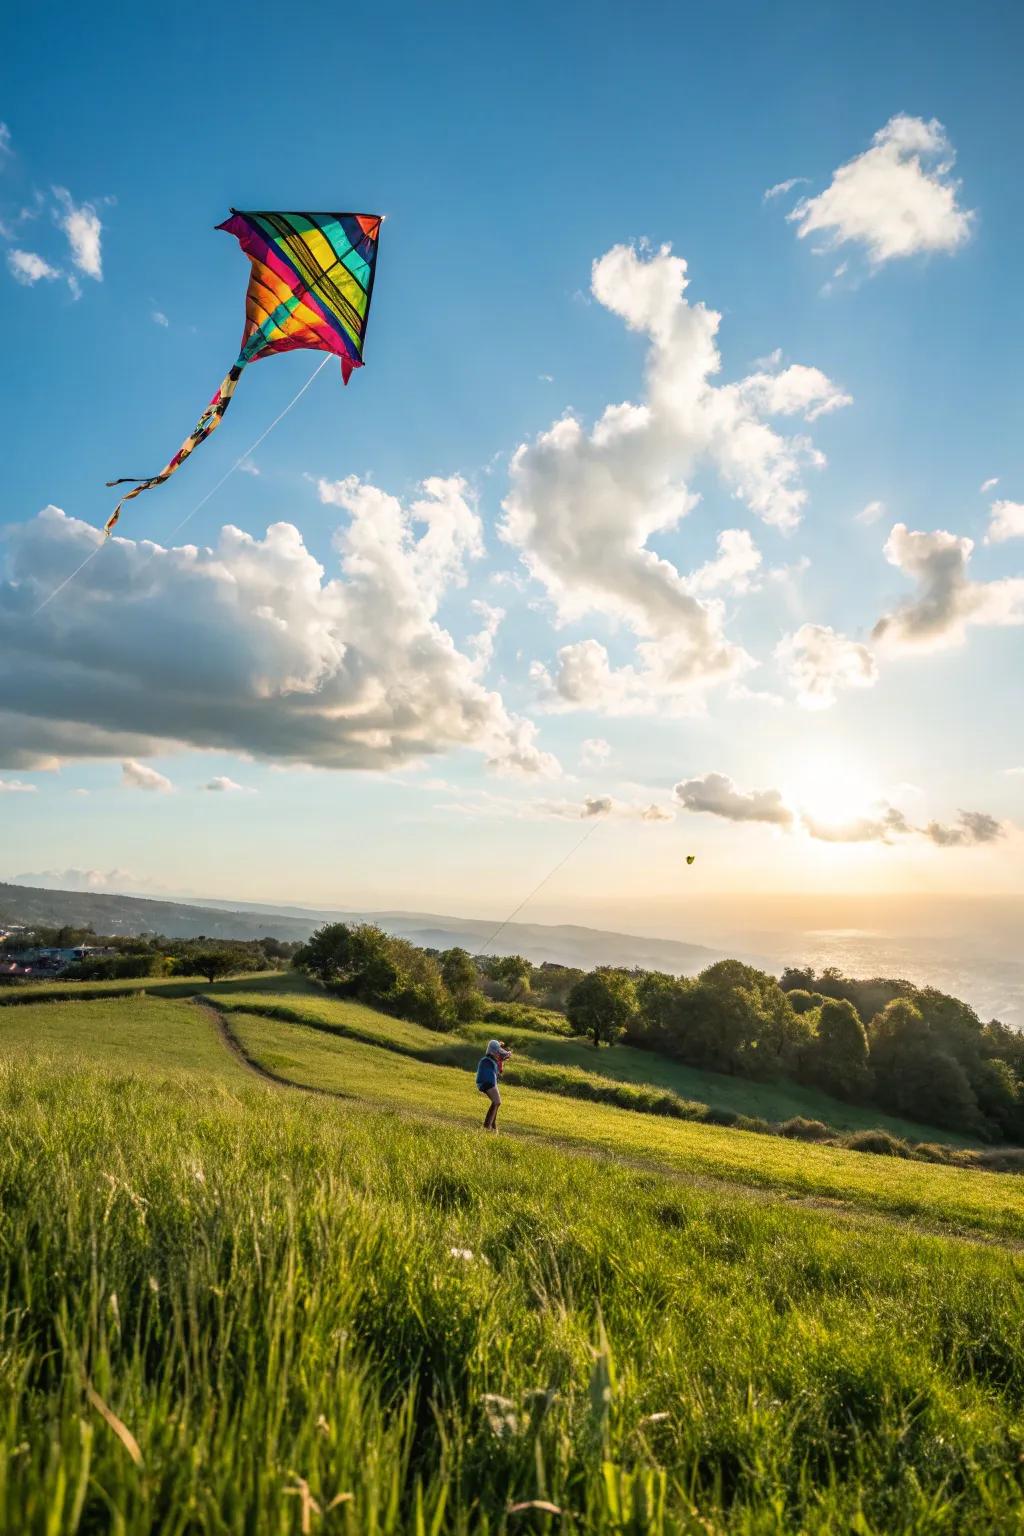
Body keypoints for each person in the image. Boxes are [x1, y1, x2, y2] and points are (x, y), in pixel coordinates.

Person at [476, 1038, 512, 1131]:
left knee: (496, 1102)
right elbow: (501, 1055)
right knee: (496, 1102)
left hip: (489, 1082)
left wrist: (503, 1058)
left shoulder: (492, 1060)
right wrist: (505, 1055)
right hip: (488, 1082)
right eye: (497, 1052)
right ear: (492, 1051)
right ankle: (487, 1126)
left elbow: (499, 1068)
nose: (498, 1054)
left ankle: (492, 1126)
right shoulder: (487, 1060)